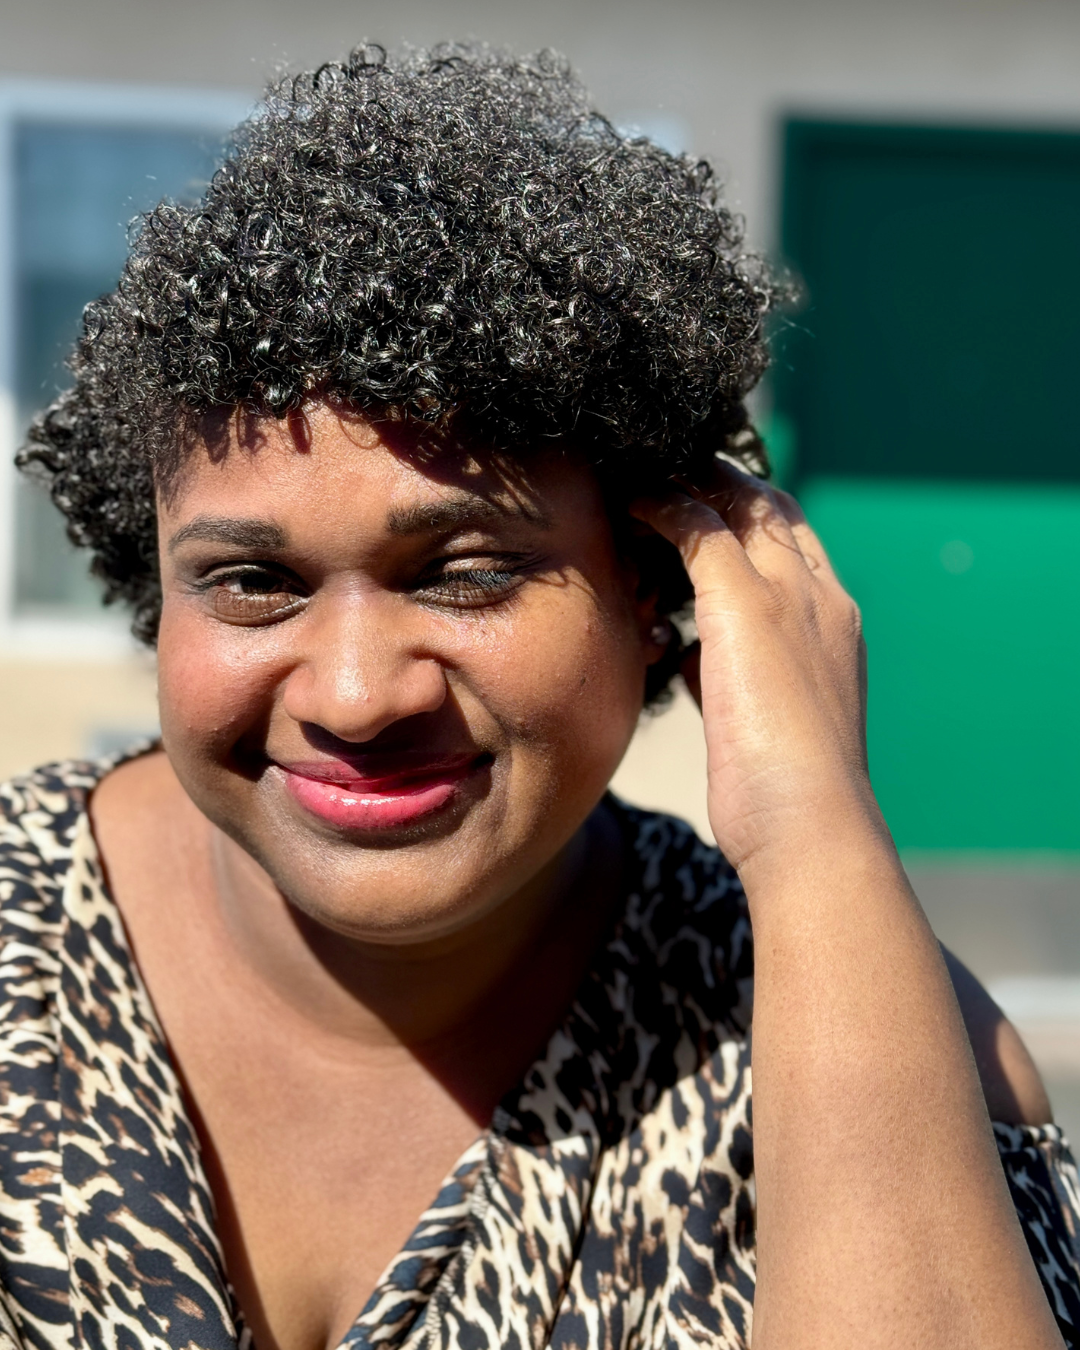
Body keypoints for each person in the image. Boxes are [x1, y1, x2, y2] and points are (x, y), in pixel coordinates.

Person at [5, 42, 1078, 1350]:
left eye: (466, 574)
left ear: (650, 589)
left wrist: (813, 825)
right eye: (253, 583)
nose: (356, 696)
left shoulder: (880, 1037)